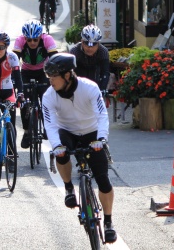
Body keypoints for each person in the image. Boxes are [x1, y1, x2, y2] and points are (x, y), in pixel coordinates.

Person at [42, 53, 117, 244]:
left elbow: (102, 115)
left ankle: (108, 222)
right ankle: (69, 188)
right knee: (61, 151)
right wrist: (57, 146)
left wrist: (101, 139)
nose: (50, 81)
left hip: (92, 133)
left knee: (103, 180)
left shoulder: (89, 88)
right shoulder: (49, 96)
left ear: (67, 75)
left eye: (53, 76)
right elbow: (50, 125)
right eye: (48, 77)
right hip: (67, 132)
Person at [13, 19, 58, 148]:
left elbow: (55, 59)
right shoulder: (19, 41)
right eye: (29, 40)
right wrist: (14, 81)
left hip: (44, 72)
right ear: (25, 38)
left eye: (35, 40)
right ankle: (27, 132)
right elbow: (14, 61)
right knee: (24, 103)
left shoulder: (47, 39)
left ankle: (46, 128)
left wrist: (55, 77)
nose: (32, 43)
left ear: (40, 37)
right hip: (26, 72)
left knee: (46, 100)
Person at [69, 25, 111, 93]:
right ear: (82, 42)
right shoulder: (74, 51)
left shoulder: (103, 51)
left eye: (94, 44)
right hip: (78, 84)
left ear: (98, 43)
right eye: (87, 44)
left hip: (96, 84)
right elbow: (69, 72)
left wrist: (103, 89)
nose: (90, 48)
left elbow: (105, 72)